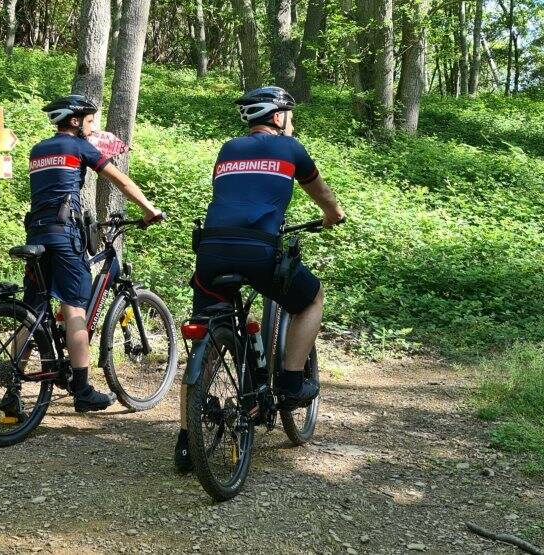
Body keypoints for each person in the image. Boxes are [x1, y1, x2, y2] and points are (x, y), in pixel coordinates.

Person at [174, 86, 346, 472]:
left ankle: (187, 442)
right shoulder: (292, 149)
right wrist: (333, 214)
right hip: (259, 251)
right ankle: (289, 382)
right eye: (291, 114)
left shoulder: (228, 149)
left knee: (208, 330)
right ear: (279, 116)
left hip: (211, 252)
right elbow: (322, 195)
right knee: (311, 298)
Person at [23, 95, 162, 413]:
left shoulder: (38, 149)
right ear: (74, 121)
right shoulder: (78, 146)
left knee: (32, 312)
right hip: (64, 233)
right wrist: (149, 209)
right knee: (75, 310)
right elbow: (121, 181)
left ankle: (12, 388)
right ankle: (83, 390)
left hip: (36, 233)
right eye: (89, 121)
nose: (92, 126)